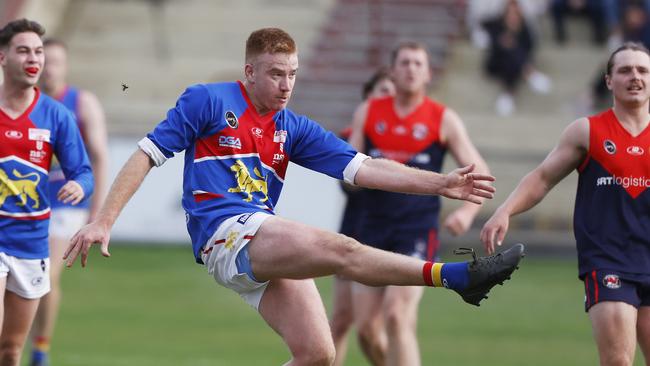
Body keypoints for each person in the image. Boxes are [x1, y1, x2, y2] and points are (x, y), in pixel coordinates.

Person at [64, 27, 524, 365]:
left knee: (318, 355)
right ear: (249, 71)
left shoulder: (293, 127)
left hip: (256, 240)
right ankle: (455, 277)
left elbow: (365, 168)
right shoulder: (206, 100)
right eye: (276, 74)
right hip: (224, 234)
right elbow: (145, 154)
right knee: (340, 248)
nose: (287, 86)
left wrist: (440, 182)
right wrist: (104, 220)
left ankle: (456, 278)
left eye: (293, 75)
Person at [481, 42, 650, 366]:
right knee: (617, 361)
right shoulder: (588, 131)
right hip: (609, 260)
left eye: (642, 70)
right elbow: (542, 178)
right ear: (608, 80)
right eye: (625, 70)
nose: (635, 77)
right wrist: (505, 210)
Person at [344, 41, 493, 366]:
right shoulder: (369, 112)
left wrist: (467, 213)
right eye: (405, 63)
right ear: (393, 71)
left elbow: (479, 170)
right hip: (370, 227)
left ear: (428, 73)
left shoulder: (442, 118)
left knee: (397, 316)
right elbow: (348, 169)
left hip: (416, 230)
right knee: (367, 330)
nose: (411, 68)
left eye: (417, 64)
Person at [0, 19, 93, 366]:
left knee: (10, 349)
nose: (33, 58)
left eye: (38, 51)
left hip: (31, 241)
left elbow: (84, 172)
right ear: (3, 57)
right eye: (23, 50)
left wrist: (77, 185)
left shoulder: (55, 115)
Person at [28, 38, 109, 366]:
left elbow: (100, 157)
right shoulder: (21, 103)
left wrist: (98, 214)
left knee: (45, 273)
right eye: (45, 61)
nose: (49, 69)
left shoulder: (81, 102)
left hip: (66, 204)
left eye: (56, 62)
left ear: (66, 66)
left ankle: (40, 348)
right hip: (24, 204)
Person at [330, 68, 394, 366]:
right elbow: (347, 181)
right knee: (340, 321)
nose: (390, 99)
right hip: (354, 229)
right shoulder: (350, 136)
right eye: (383, 92)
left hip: (392, 236)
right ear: (367, 99)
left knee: (369, 329)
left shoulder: (403, 142)